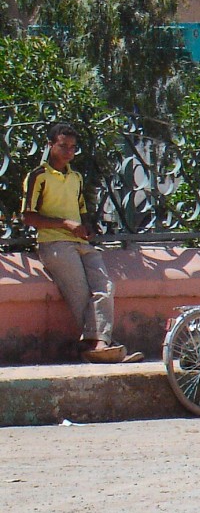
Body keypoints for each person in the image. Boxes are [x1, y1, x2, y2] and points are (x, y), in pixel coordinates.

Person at [21, 123, 143, 363]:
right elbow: (28, 217)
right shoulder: (38, 176)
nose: (69, 152)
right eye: (63, 146)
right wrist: (65, 224)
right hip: (54, 243)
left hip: (80, 242)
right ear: (50, 145)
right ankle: (102, 344)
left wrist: (86, 227)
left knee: (105, 287)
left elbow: (81, 210)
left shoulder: (75, 177)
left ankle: (99, 346)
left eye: (73, 147)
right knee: (80, 294)